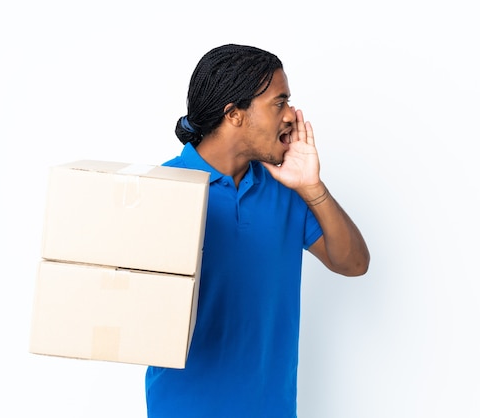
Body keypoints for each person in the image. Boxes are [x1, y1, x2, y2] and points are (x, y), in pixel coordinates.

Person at [145, 44, 370, 418]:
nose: (291, 116)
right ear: (234, 114)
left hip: (272, 409)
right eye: (278, 103)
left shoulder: (287, 188)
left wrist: (313, 189)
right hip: (183, 407)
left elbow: (353, 263)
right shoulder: (165, 188)